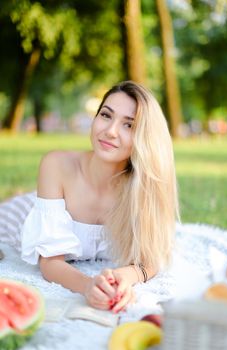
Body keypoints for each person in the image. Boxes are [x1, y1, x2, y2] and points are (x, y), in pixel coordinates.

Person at [0, 80, 179, 313]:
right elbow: (50, 262)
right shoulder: (57, 165)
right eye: (106, 115)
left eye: (129, 125)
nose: (111, 131)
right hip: (19, 215)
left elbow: (151, 257)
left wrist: (123, 276)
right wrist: (88, 285)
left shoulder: (142, 189)